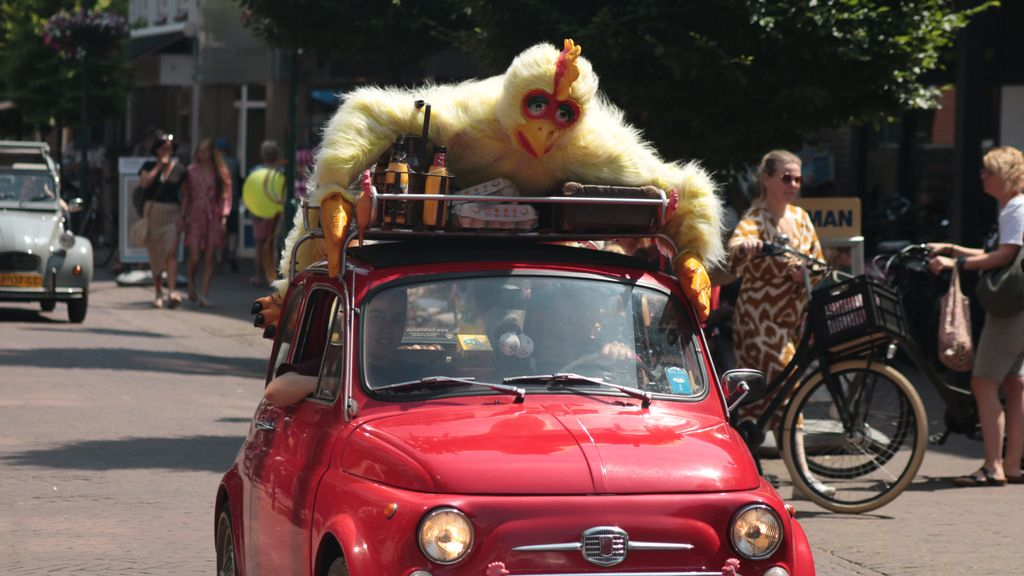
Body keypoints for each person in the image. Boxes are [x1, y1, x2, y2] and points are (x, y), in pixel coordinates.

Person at [726, 149, 830, 496]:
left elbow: (818, 263)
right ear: (767, 179)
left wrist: (803, 272)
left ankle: (745, 473)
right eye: (786, 177)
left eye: (798, 178)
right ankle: (803, 481)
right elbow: (737, 243)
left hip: (790, 323)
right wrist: (749, 245)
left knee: (758, 402)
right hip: (758, 322)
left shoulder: (800, 217)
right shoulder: (756, 215)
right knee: (791, 395)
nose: (794, 184)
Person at [927, 146, 1024, 487]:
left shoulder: (1015, 207)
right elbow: (998, 252)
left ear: (1005, 176)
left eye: (988, 171)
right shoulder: (1015, 207)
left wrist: (958, 264)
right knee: (1014, 385)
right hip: (1019, 309)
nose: (982, 176)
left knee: (983, 381)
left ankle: (993, 466)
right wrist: (954, 249)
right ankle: (1011, 465)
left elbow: (1005, 256)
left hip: (1011, 311)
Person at [263, 287, 411, 407]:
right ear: (353, 322)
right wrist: (332, 384)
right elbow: (274, 393)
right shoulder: (338, 364)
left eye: (396, 320)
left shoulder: (414, 369)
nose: (387, 328)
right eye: (377, 318)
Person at [138, 131, 187, 309]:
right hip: (153, 213)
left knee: (171, 253)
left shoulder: (180, 169)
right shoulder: (149, 165)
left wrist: (182, 217)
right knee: (156, 255)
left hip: (171, 214)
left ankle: (172, 292)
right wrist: (159, 167)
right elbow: (144, 183)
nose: (167, 151)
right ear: (157, 150)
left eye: (170, 148)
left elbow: (186, 195)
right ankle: (158, 292)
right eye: (164, 148)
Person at [181, 138, 232, 307]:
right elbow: (186, 196)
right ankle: (191, 281)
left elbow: (226, 196)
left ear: (211, 153)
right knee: (195, 257)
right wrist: (183, 216)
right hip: (196, 214)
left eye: (206, 151)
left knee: (210, 256)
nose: (203, 154)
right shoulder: (191, 171)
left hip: (213, 216)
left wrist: (224, 218)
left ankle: (204, 294)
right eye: (200, 151)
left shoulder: (220, 171)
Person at [248, 140, 285, 286]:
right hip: (275, 210)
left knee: (259, 244)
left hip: (259, 211)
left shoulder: (255, 171)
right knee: (272, 244)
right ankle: (272, 277)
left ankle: (257, 275)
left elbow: (250, 192)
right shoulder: (280, 172)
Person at [215, 138, 242, 273]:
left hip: (219, 203)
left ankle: (220, 257)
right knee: (232, 230)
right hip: (234, 201)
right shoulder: (234, 163)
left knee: (220, 229)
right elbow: (238, 180)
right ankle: (231, 252)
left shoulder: (216, 164)